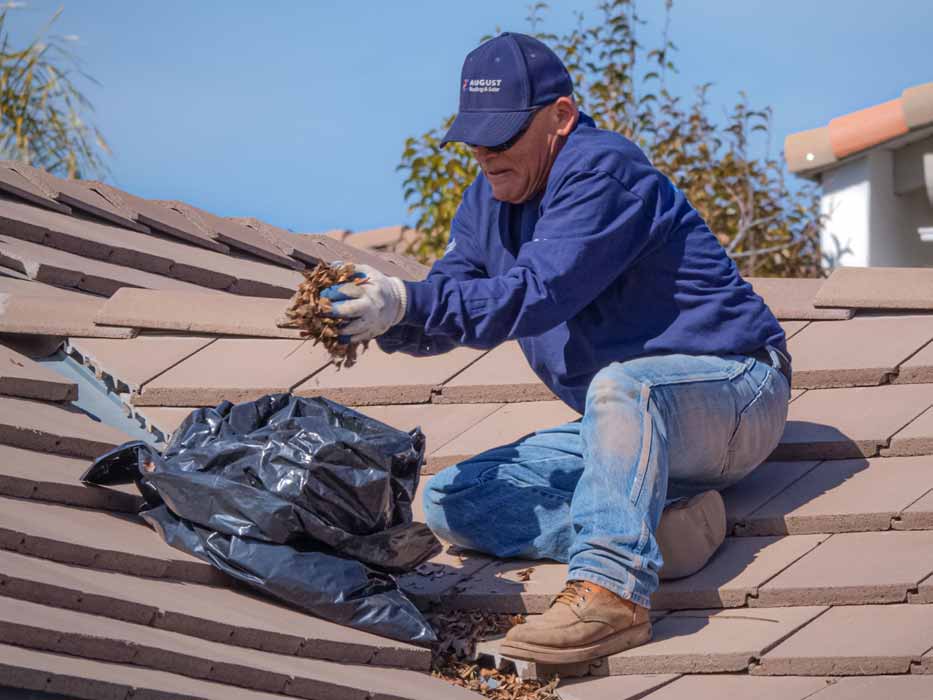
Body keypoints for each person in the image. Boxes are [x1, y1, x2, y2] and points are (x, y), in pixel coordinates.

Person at [322, 32, 791, 665]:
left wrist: (407, 302)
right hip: (622, 423)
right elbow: (450, 301)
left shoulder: (603, 171)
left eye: (504, 135)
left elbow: (537, 294)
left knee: (625, 385)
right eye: (476, 138)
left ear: (561, 117)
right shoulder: (485, 204)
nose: (485, 154)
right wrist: (382, 319)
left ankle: (611, 594)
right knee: (450, 500)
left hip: (733, 393)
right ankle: (653, 529)